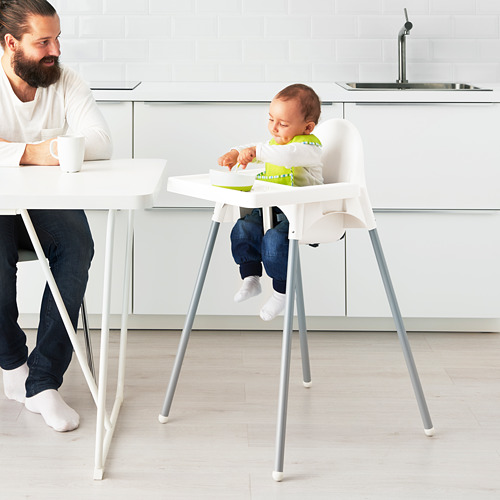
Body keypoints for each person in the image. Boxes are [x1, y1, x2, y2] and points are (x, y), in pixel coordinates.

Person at [0, 0, 112, 432]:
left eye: (58, 38)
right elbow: (74, 146)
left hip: (45, 206)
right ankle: (12, 363)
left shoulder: (66, 81)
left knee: (78, 246)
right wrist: (36, 151)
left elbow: (101, 142)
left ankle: (43, 380)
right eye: (43, 41)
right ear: (12, 43)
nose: (55, 50)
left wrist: (10, 149)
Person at [218, 84, 323, 321]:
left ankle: (282, 291)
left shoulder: (309, 147)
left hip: (302, 213)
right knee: (243, 227)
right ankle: (251, 277)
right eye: (271, 119)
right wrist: (237, 153)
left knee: (274, 240)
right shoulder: (275, 144)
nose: (274, 128)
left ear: (307, 128)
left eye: (283, 124)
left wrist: (254, 151)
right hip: (273, 207)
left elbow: (285, 156)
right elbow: (262, 148)